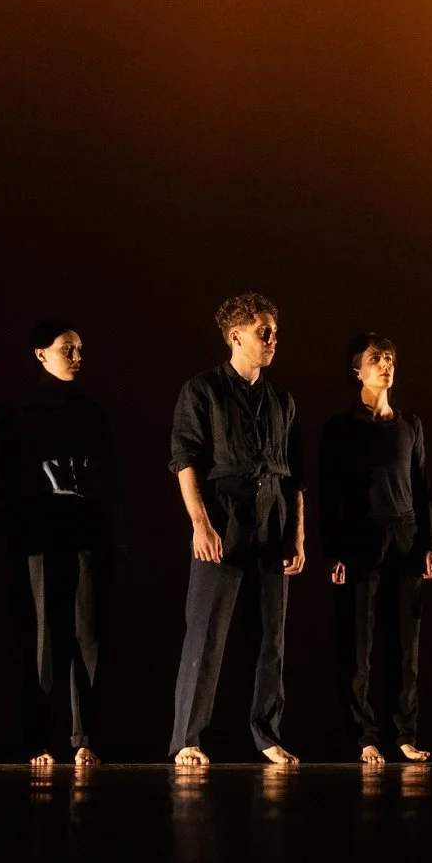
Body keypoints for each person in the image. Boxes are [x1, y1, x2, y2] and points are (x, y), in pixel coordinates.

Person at [168, 292, 304, 767]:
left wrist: (297, 536)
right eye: (263, 331)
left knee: (272, 635)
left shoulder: (281, 399)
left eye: (274, 331)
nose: (272, 339)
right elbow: (184, 459)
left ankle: (266, 733)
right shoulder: (202, 390)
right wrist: (200, 524)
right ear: (236, 336)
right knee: (205, 632)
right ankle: (187, 737)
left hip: (273, 515)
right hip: (223, 514)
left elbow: (295, 476)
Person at [0, 319, 111, 771]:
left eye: (80, 349)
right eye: (68, 349)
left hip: (85, 536)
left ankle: (84, 736)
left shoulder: (92, 412)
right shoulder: (18, 413)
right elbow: (1, 482)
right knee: (44, 637)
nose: (78, 357)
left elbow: (107, 479)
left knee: (87, 637)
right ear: (41, 354)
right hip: (39, 537)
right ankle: (39, 736)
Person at [319, 333, 432, 765]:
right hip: (358, 539)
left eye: (390, 357)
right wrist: (332, 549)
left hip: (405, 537)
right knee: (359, 644)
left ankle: (404, 734)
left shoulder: (411, 426)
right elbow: (328, 492)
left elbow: (422, 487)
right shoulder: (339, 428)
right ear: (358, 371)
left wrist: (430, 543)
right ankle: (364, 737)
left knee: (405, 644)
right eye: (375, 358)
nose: (386, 363)